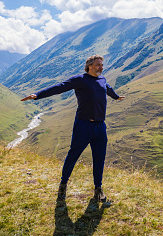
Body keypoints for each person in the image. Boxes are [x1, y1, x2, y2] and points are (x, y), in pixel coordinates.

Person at [21, 55, 125, 201]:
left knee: (99, 158)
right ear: (89, 66)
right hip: (83, 125)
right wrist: (37, 95)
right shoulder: (80, 79)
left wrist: (115, 97)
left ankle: (98, 189)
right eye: (98, 65)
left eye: (102, 65)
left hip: (100, 126)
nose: (101, 67)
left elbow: (107, 88)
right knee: (73, 155)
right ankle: (63, 185)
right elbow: (59, 87)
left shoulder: (102, 79)